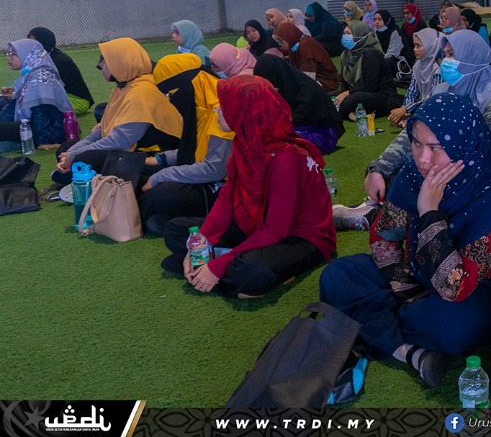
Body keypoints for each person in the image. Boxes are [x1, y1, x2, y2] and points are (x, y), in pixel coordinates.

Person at [322, 92, 491, 386]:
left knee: (453, 325)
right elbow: (384, 238)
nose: (422, 158)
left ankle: (377, 323)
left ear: (464, 145)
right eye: (416, 142)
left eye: (436, 147)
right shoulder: (414, 172)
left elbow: (456, 288)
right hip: (417, 274)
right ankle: (410, 352)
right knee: (338, 275)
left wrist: (429, 213)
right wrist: (404, 288)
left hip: (485, 289)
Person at [160, 75, 335, 299]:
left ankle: (231, 267)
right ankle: (232, 264)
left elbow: (277, 229)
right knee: (176, 230)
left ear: (244, 112)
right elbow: (226, 201)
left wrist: (218, 266)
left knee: (251, 271)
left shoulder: (286, 160)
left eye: (225, 105)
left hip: (300, 237)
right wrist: (199, 244)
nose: (218, 110)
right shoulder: (246, 144)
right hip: (256, 225)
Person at [364, 30, 491, 202]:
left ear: (472, 58)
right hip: (441, 167)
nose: (446, 61)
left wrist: (427, 174)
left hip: (482, 180)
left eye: (452, 55)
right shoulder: (442, 91)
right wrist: (380, 167)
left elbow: (478, 157)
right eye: (444, 55)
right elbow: (414, 134)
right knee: (386, 174)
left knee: (405, 184)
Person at [53, 38, 182, 185]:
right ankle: (74, 173)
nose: (100, 65)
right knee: (65, 149)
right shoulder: (125, 86)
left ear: (122, 62)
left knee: (85, 158)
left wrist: (75, 155)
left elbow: (120, 140)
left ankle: (76, 175)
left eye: (105, 60)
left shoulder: (142, 92)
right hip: (126, 147)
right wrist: (70, 153)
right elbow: (102, 131)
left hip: (148, 154)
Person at [142, 54, 234, 234]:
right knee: (143, 171)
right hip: (204, 176)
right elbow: (194, 149)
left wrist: (162, 175)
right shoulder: (201, 108)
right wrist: (161, 160)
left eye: (170, 94)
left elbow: (214, 169)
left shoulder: (222, 114)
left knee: (160, 195)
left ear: (187, 87)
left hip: (219, 187)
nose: (170, 101)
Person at [253, 54, 344, 155]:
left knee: (277, 139)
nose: (269, 88)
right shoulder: (282, 89)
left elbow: (300, 119)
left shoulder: (307, 90)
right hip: (296, 130)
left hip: (322, 133)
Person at [0, 39, 71, 151]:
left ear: (29, 55)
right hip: (28, 125)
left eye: (14, 54)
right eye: (9, 54)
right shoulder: (30, 72)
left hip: (41, 132)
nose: (9, 58)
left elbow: (42, 112)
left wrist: (42, 141)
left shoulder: (41, 78)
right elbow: (13, 107)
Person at [335, 21, 396, 119]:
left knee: (352, 100)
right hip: (356, 92)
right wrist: (339, 96)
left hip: (380, 95)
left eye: (349, 33)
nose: (345, 36)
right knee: (327, 97)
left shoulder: (371, 55)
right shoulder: (346, 55)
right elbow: (343, 83)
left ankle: (347, 112)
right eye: (344, 33)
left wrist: (346, 94)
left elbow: (370, 86)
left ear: (360, 35)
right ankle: (348, 112)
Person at [27, 27, 94, 115]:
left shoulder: (58, 60)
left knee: (37, 110)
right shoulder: (45, 56)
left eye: (33, 41)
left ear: (43, 42)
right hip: (61, 96)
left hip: (76, 101)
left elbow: (46, 88)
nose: (29, 44)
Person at [388, 28, 442, 128]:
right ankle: (408, 119)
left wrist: (405, 110)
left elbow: (433, 98)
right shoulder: (418, 65)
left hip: (434, 105)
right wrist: (404, 110)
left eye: (418, 45)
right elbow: (412, 92)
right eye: (414, 45)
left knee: (430, 108)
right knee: (393, 99)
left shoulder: (438, 68)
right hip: (421, 104)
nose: (414, 49)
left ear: (429, 45)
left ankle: (411, 120)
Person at [272, 21, 339, 93]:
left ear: (288, 36)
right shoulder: (295, 45)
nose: (279, 44)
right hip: (313, 79)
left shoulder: (306, 46)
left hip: (327, 82)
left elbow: (308, 77)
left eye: (279, 40)